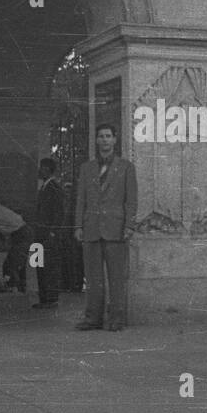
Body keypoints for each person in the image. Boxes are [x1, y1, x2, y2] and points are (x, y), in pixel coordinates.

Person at [73, 124, 138, 331]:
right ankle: (93, 318)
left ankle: (117, 319)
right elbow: (80, 199)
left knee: (116, 278)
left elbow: (131, 200)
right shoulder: (87, 168)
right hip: (91, 228)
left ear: (115, 140)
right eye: (101, 136)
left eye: (108, 136)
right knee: (93, 278)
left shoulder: (126, 167)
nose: (104, 140)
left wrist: (129, 225)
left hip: (116, 229)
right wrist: (78, 225)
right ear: (97, 141)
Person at [33, 158, 65, 309]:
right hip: (40, 233)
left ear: (47, 169)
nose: (39, 170)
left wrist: (53, 232)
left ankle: (50, 298)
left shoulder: (53, 188)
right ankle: (43, 297)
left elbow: (58, 212)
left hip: (47, 234)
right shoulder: (44, 188)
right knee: (39, 263)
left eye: (41, 167)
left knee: (48, 265)